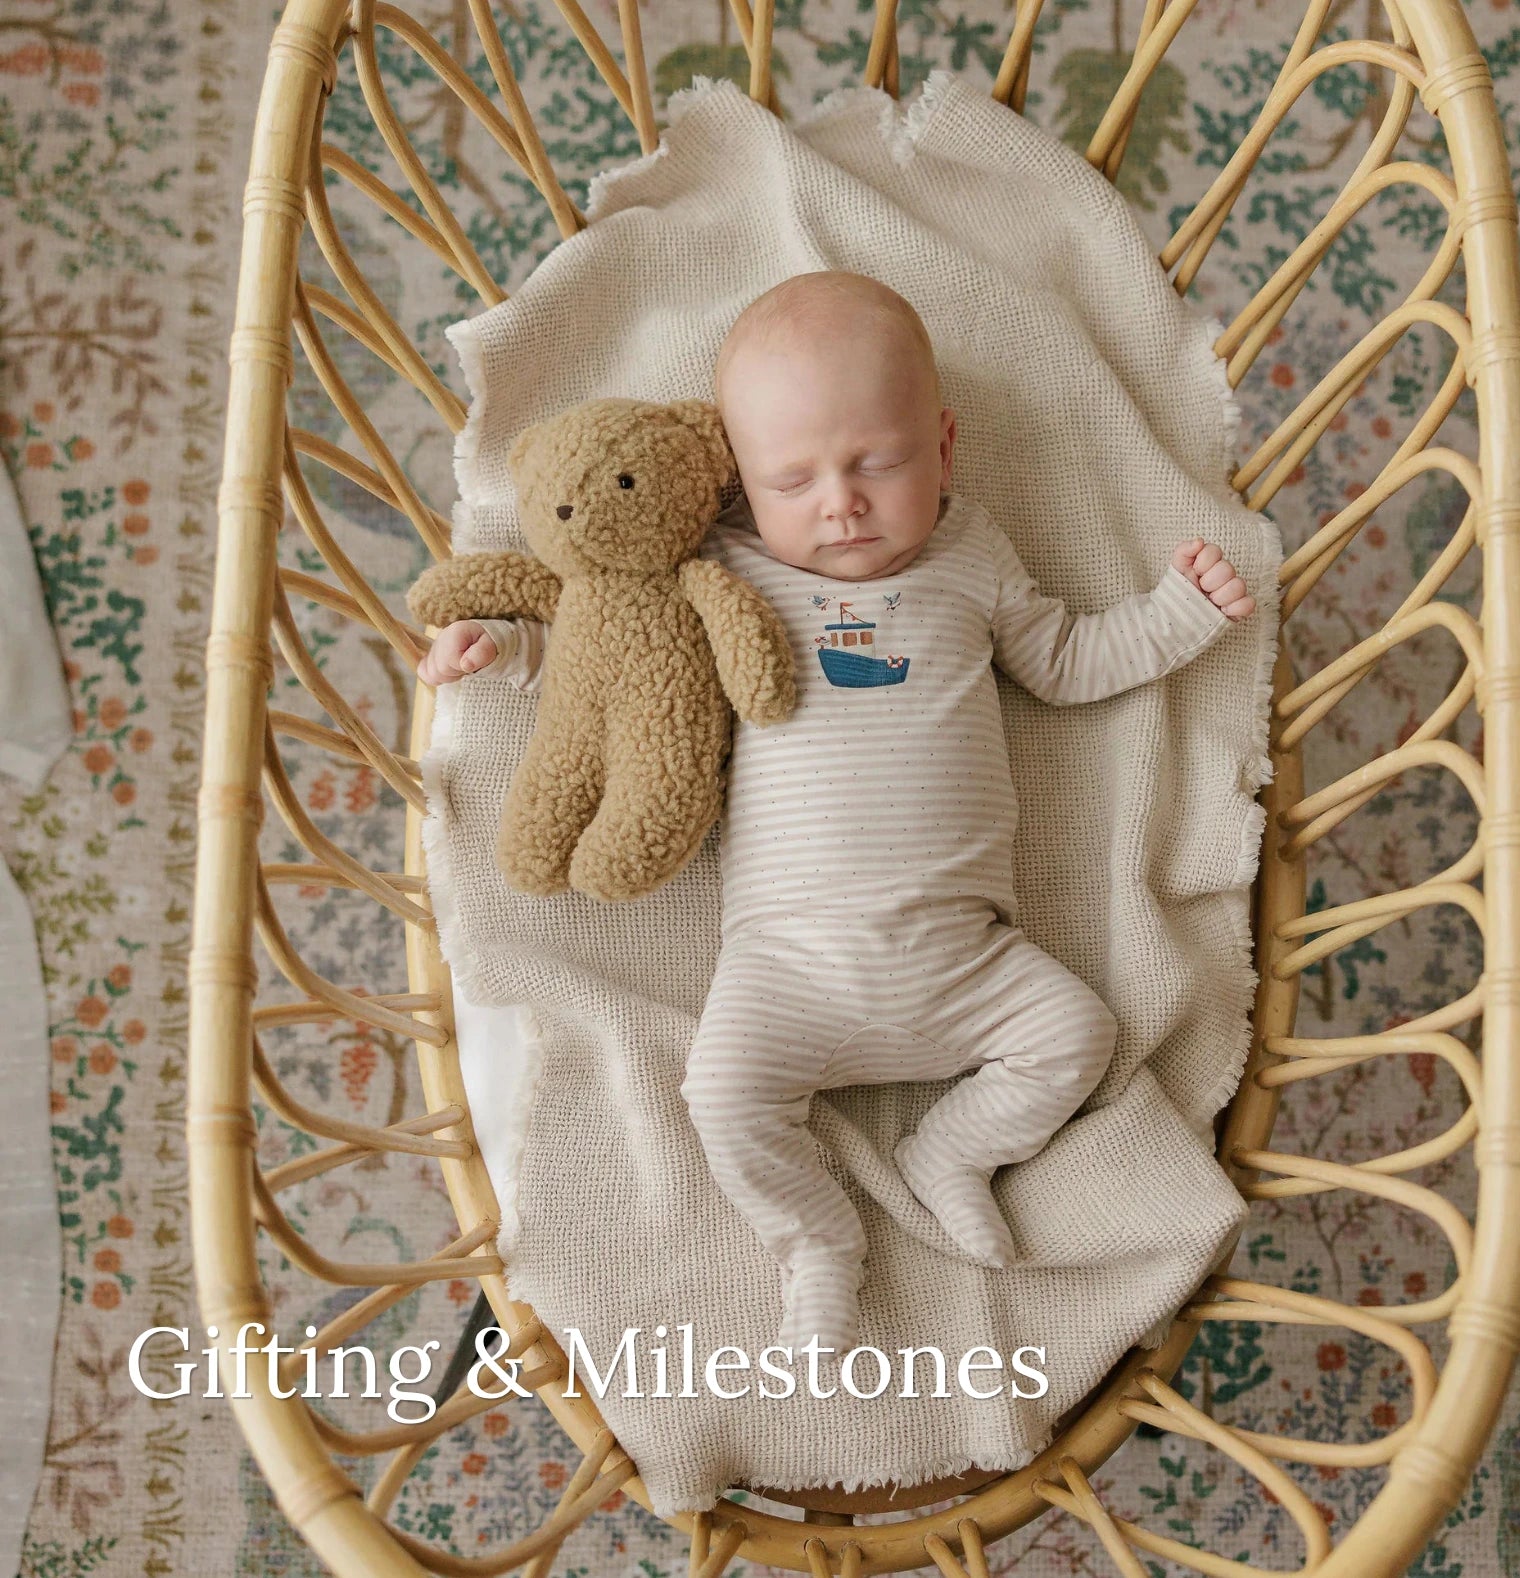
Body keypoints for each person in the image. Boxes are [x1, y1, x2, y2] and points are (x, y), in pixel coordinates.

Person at [418, 270, 1255, 1355]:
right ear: (738, 484)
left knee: (1076, 1036)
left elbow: (1066, 660)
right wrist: (501, 655)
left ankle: (952, 1150)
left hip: (964, 957)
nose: (841, 503)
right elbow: (613, 670)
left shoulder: (973, 554)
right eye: (795, 479)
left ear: (944, 449)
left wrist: (1178, 616)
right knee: (721, 1100)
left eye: (878, 463)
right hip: (785, 968)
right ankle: (816, 1240)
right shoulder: (723, 571)